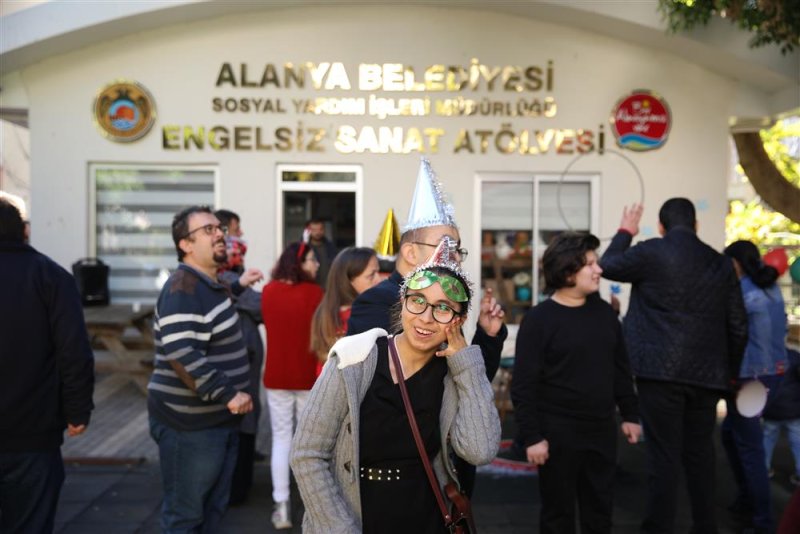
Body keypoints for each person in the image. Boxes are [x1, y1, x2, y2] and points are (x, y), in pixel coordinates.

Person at [290, 243, 501, 533]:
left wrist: (466, 361)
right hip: (354, 516)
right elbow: (307, 453)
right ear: (402, 302)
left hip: (425, 518)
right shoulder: (354, 360)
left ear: (458, 320)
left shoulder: (453, 376)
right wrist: (340, 528)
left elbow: (480, 450)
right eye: (417, 301)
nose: (426, 318)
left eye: (443, 308)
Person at [346, 159, 506, 497]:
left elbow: (471, 382)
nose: (456, 259)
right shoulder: (376, 302)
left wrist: (486, 336)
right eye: (446, 247)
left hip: (451, 462)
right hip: (400, 464)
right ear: (410, 252)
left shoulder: (450, 302)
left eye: (458, 250)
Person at [600, 199, 748, 534]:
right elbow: (738, 325)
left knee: (663, 456)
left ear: (662, 226)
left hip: (657, 373)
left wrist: (626, 231)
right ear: (696, 225)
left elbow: (607, 265)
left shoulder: (651, 252)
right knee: (701, 455)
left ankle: (659, 527)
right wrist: (730, 372)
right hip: (707, 375)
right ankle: (705, 525)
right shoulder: (720, 263)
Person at [512, 232, 641, 534]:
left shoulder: (606, 316)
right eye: (591, 264)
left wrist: (631, 415)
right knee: (558, 516)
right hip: (557, 435)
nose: (599, 270)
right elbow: (524, 385)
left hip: (601, 431)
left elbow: (621, 368)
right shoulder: (539, 320)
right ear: (569, 271)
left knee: (600, 513)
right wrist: (532, 437)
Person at [147, 205, 263, 533]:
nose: (219, 234)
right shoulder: (182, 289)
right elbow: (182, 353)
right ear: (185, 244)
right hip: (191, 427)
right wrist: (228, 394)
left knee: (212, 511)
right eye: (209, 230)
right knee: (186, 517)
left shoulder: (210, 283)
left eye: (220, 229)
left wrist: (239, 287)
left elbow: (213, 310)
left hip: (216, 421)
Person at [0, 194, 95, 533]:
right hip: (33, 434)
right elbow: (74, 353)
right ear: (24, 232)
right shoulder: (51, 277)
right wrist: (77, 411)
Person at [721, 240, 788, 533]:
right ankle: (748, 499)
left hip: (751, 379)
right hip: (776, 373)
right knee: (730, 435)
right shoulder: (771, 289)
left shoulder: (742, 294)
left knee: (750, 450)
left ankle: (762, 521)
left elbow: (732, 336)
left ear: (735, 263)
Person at [261, 241, 325, 529]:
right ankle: (312, 504)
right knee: (309, 443)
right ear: (299, 263)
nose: (316, 265)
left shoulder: (268, 291)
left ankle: (282, 505)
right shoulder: (315, 293)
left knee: (281, 439)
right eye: (312, 260)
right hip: (308, 377)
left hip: (276, 376)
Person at [214, 209, 265, 506]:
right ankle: (236, 487)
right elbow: (259, 306)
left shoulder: (232, 277)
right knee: (243, 420)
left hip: (246, 357)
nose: (241, 235)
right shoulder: (225, 277)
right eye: (236, 230)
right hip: (239, 363)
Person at [310, 246, 381, 364]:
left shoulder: (325, 310)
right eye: (371, 275)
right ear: (348, 281)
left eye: (378, 271)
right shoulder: (355, 316)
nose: (379, 279)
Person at [763, 347, 800, 487]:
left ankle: (764, 469)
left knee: (767, 439)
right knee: (798, 442)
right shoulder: (794, 356)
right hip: (794, 409)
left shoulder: (764, 355)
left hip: (772, 408)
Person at [306, 218, 338, 289]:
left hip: (329, 289)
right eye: (314, 230)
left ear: (324, 230)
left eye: (320, 229)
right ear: (308, 231)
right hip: (311, 289)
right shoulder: (304, 249)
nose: (318, 232)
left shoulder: (331, 247)